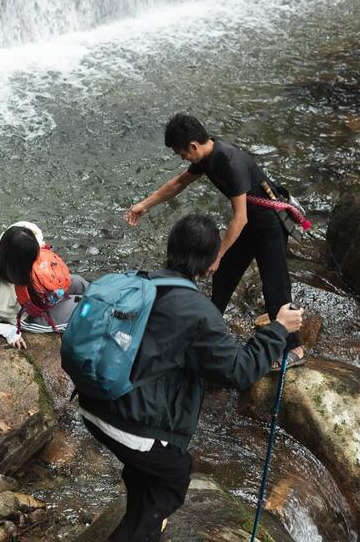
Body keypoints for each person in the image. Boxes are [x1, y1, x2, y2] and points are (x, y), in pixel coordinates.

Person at [78, 214, 304, 542]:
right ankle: (139, 530)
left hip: (92, 402)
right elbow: (240, 371)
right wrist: (279, 330)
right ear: (213, 262)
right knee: (173, 478)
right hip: (127, 422)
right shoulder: (199, 312)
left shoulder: (143, 283)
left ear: (171, 249)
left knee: (148, 471)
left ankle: (143, 520)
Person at [126, 113, 306, 369]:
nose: (182, 159)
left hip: (268, 226)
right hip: (250, 225)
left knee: (274, 287)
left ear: (193, 146)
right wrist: (144, 205)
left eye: (181, 154)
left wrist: (217, 254)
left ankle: (295, 348)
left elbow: (239, 218)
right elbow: (178, 183)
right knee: (224, 277)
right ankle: (207, 327)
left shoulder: (229, 161)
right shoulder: (207, 157)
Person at [0, 221, 87, 350]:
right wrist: (10, 332)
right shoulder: (0, 290)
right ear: (21, 263)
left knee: (79, 283)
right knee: (83, 308)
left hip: (31, 294)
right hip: (28, 316)